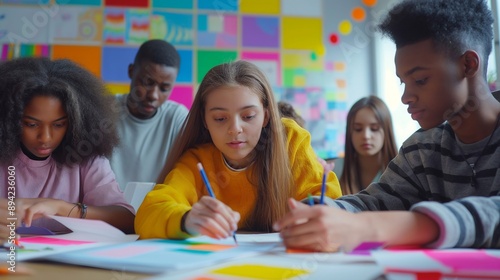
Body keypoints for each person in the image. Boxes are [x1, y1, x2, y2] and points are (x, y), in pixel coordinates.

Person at [274, 0, 500, 252]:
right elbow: (373, 203)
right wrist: (318, 211)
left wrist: (374, 227)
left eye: (420, 80)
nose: (406, 97)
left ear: (468, 65)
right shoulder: (422, 149)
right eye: (403, 82)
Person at [135, 60, 342, 239]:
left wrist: (313, 213)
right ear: (205, 121)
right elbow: (149, 213)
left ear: (266, 116)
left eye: (248, 116)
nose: (235, 129)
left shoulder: (290, 141)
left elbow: (331, 201)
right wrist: (186, 220)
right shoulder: (198, 161)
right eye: (220, 118)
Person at [0, 57, 135, 236]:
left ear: (75, 122)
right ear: (10, 119)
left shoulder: (86, 156)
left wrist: (62, 208)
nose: (45, 138)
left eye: (58, 125)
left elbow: (127, 220)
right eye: (32, 125)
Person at [110, 39, 188, 190]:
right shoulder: (104, 110)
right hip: (106, 210)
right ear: (131, 71)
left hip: (153, 209)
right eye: (147, 82)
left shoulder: (177, 118)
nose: (153, 95)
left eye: (164, 88)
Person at [339, 96, 397, 194]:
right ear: (349, 132)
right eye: (358, 129)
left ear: (387, 131)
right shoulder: (333, 170)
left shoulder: (403, 169)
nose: (366, 136)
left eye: (374, 128)